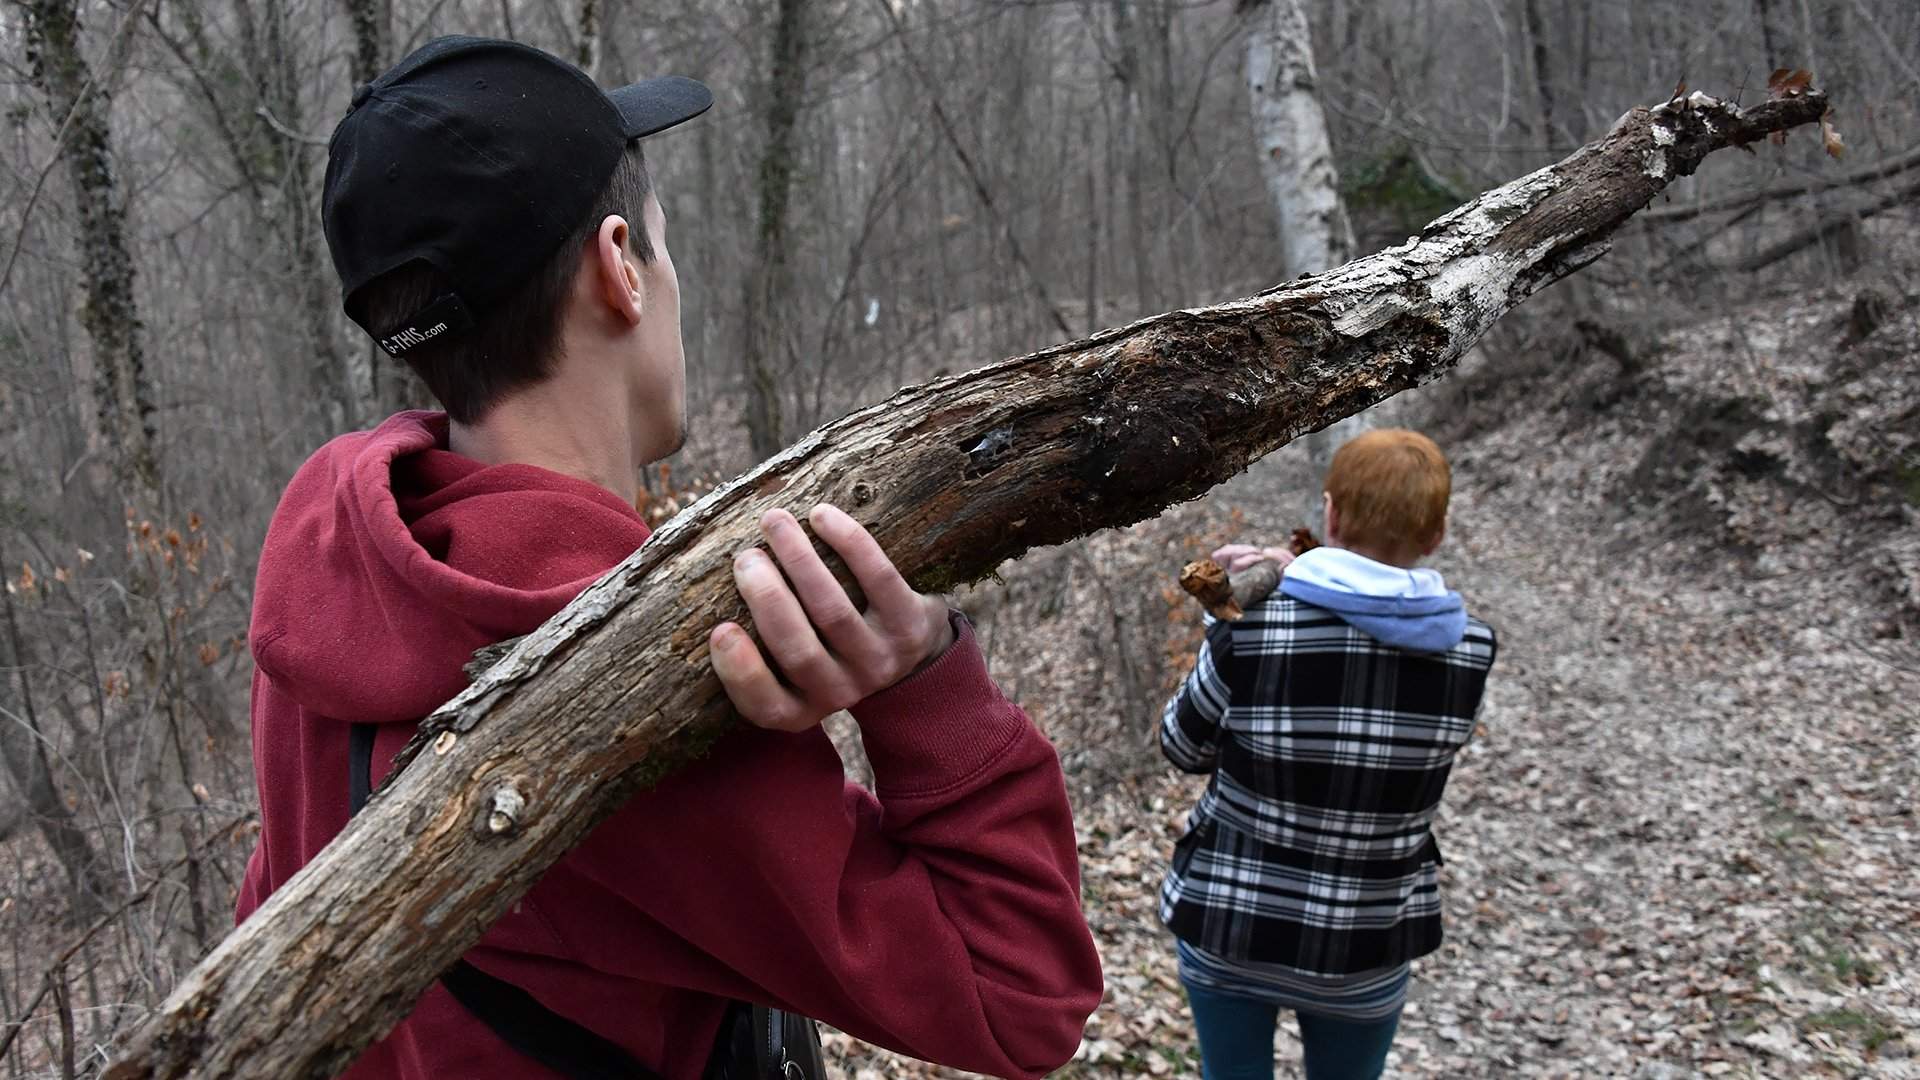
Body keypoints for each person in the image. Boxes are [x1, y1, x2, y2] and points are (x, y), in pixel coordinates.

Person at [235, 36, 1102, 1079]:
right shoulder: (626, 694)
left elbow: (271, 918)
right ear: (619, 269)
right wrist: (924, 682)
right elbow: (1020, 997)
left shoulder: (334, 582)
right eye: (662, 241)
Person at [1158, 429, 1498, 1080]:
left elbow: (1182, 744)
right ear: (1436, 535)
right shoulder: (1471, 652)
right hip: (1367, 942)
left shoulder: (1252, 628)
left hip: (1233, 922)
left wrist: (1230, 621)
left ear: (1331, 514)